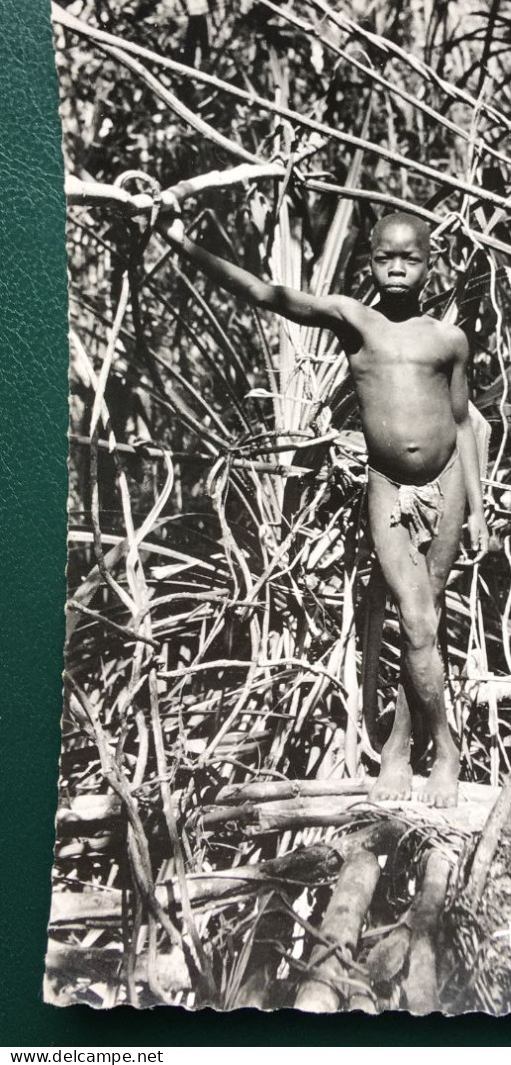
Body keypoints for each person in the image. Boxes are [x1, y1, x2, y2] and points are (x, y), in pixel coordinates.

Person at [159, 207, 488, 807]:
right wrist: (177, 238)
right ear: (370, 261)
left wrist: (480, 508)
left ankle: (400, 744)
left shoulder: (449, 339)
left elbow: (463, 422)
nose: (396, 269)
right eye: (384, 258)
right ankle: (444, 747)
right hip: (387, 486)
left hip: (448, 488)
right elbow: (265, 291)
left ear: (429, 263)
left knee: (427, 624)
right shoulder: (351, 319)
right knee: (417, 624)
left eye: (409, 259)